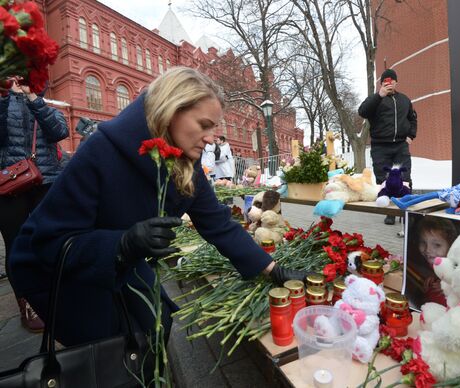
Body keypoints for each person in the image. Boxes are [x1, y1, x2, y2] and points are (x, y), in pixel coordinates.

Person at [8, 67, 308, 350]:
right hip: (59, 272)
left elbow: (217, 223)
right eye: (204, 125)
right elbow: (50, 243)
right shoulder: (100, 152)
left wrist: (273, 269)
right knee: (114, 344)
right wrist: (122, 244)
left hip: (121, 259)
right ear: (169, 112)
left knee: (158, 319)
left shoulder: (185, 164)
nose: (212, 139)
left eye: (215, 128)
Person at [0, 79, 69, 332]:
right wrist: (8, 97)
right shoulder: (3, 102)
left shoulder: (45, 106)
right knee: (15, 242)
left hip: (46, 180)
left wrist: (32, 98)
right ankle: (27, 302)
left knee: (50, 237)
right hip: (9, 184)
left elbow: (60, 132)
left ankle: (53, 291)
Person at [358, 68, 417, 225]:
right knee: (384, 179)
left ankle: (406, 212)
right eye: (385, 81)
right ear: (382, 83)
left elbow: (412, 119)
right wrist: (379, 95)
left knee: (404, 178)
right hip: (380, 147)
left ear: (396, 82)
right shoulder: (375, 99)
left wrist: (411, 135)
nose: (389, 84)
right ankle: (389, 212)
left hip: (400, 146)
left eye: (392, 81)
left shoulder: (404, 100)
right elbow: (362, 112)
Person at [408, 217, 457, 308]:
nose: (428, 250)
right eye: (423, 242)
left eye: (437, 245)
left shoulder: (457, 265)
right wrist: (435, 277)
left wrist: (448, 284)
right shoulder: (432, 264)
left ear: (451, 246)